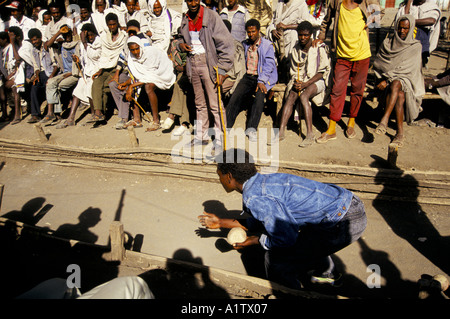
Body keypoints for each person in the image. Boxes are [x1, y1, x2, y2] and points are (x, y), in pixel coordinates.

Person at [198, 148, 367, 290]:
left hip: (344, 222)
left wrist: (254, 240)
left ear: (229, 176)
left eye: (219, 174)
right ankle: (328, 274)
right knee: (304, 237)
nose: (219, 179)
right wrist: (220, 222)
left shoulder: (254, 198)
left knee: (276, 261)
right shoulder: (262, 181)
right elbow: (260, 220)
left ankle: (291, 294)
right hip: (346, 206)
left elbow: (284, 237)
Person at [314, 0, 374, 144]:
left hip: (362, 55)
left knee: (357, 90)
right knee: (337, 90)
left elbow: (379, 13)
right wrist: (321, 37)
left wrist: (371, 21)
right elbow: (327, 20)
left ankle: (351, 123)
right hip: (342, 55)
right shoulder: (337, 2)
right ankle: (332, 128)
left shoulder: (367, 2)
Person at [178, 0, 234, 148]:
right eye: (190, 0)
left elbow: (227, 44)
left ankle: (221, 139)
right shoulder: (185, 18)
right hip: (193, 63)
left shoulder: (211, 17)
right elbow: (179, 38)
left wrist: (222, 69)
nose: (193, 3)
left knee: (215, 104)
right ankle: (201, 136)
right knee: (200, 103)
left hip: (209, 64)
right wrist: (181, 45)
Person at [274, 21, 331, 147]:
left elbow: (322, 72)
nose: (303, 38)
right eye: (300, 35)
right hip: (301, 80)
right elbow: (294, 71)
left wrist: (306, 84)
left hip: (317, 81)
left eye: (305, 35)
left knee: (304, 96)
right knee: (292, 96)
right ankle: (281, 132)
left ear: (311, 35)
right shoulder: (296, 49)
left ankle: (310, 134)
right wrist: (298, 82)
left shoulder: (318, 48)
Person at [373, 15, 424, 147]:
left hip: (408, 83)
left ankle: (384, 119)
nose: (402, 31)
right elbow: (379, 65)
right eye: (400, 28)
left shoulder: (415, 47)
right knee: (399, 94)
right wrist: (385, 79)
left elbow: (409, 70)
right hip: (388, 88)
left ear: (410, 28)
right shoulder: (387, 44)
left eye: (406, 28)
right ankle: (400, 133)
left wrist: (389, 78)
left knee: (397, 83)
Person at [225, 19, 277, 142]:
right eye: (249, 32)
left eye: (253, 32)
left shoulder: (267, 45)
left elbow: (269, 66)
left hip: (263, 77)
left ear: (259, 31)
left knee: (259, 96)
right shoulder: (245, 44)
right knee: (236, 96)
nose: (251, 34)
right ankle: (226, 126)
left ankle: (251, 129)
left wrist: (262, 81)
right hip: (248, 76)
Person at [122, 36, 176, 131]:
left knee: (148, 87)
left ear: (140, 46)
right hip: (149, 76)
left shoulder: (150, 53)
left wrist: (131, 86)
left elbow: (150, 75)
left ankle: (156, 121)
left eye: (137, 49)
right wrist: (128, 84)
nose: (135, 52)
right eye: (132, 50)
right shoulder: (131, 57)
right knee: (132, 87)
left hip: (162, 74)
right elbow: (136, 75)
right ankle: (137, 119)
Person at [56, 23, 102, 129]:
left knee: (90, 87)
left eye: (91, 35)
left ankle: (94, 114)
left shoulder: (98, 42)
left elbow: (94, 56)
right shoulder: (83, 44)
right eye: (87, 36)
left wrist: (85, 42)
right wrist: (78, 60)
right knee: (77, 91)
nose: (90, 38)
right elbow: (84, 58)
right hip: (87, 71)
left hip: (97, 71)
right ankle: (71, 118)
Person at [108, 19, 151, 129]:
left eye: (133, 32)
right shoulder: (127, 42)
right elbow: (122, 58)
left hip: (142, 73)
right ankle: (126, 112)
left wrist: (128, 83)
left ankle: (125, 118)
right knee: (113, 84)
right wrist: (117, 73)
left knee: (127, 87)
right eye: (129, 32)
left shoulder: (144, 41)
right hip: (129, 72)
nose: (131, 34)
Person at [266, 0, 319, 83]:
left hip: (292, 37)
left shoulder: (300, 3)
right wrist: (273, 30)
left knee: (290, 63)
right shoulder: (280, 3)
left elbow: (306, 25)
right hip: (278, 37)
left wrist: (286, 26)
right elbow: (274, 21)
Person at [90, 12, 127, 122]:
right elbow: (104, 54)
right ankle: (98, 112)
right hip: (105, 67)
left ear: (117, 24)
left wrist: (117, 70)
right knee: (96, 83)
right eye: (110, 25)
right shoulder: (104, 37)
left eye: (114, 24)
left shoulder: (123, 37)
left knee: (106, 86)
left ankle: (103, 112)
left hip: (117, 68)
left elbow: (122, 55)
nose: (112, 27)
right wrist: (100, 69)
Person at [40, 26, 81, 124]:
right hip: (65, 73)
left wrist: (70, 73)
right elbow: (47, 45)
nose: (67, 37)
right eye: (65, 35)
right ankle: (51, 113)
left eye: (69, 34)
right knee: (50, 82)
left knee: (58, 86)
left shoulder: (77, 44)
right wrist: (58, 32)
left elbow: (81, 65)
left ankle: (57, 113)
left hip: (75, 73)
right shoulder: (62, 44)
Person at [161, 31, 194, 135]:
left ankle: (172, 115)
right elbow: (175, 63)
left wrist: (186, 68)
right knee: (181, 86)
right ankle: (184, 123)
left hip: (196, 72)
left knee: (181, 85)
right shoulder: (176, 44)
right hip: (183, 73)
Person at [396, 0, 440, 67]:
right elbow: (403, 18)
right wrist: (408, 3)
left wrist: (410, 21)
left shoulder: (431, 6)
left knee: (417, 65)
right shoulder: (408, 6)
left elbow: (431, 20)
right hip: (406, 41)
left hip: (421, 40)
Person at [27, 28, 59, 124]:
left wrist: (51, 76)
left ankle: (53, 112)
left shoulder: (47, 47)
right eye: (32, 40)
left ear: (40, 38)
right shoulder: (33, 51)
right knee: (34, 86)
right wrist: (36, 76)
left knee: (48, 83)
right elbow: (36, 67)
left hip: (51, 72)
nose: (34, 42)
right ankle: (35, 114)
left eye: (36, 39)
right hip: (41, 74)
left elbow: (56, 64)